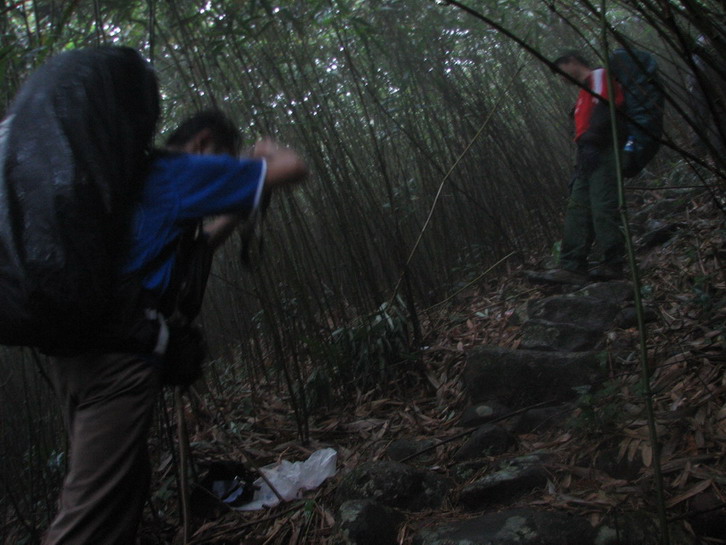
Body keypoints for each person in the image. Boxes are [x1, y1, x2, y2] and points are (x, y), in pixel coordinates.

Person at [43, 110, 308, 545]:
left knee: (118, 487)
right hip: (118, 358)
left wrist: (235, 210)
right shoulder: (175, 172)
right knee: (91, 513)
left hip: (79, 355)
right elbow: (292, 167)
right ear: (203, 145)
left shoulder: (137, 181)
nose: (222, 170)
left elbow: (195, 247)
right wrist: (264, 150)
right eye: (222, 159)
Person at [543, 51, 626, 284]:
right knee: (577, 209)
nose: (560, 78)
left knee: (603, 206)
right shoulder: (582, 92)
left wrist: (592, 141)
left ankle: (613, 264)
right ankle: (572, 266)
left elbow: (606, 105)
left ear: (571, 61)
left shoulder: (598, 75)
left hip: (603, 151)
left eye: (560, 71)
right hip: (586, 156)